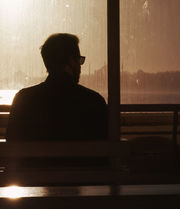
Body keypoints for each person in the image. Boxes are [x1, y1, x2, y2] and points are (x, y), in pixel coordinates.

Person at [6, 33, 108, 168]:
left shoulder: (23, 99)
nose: (80, 66)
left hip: (33, 181)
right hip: (81, 177)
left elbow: (12, 144)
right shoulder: (93, 101)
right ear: (71, 61)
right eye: (79, 60)